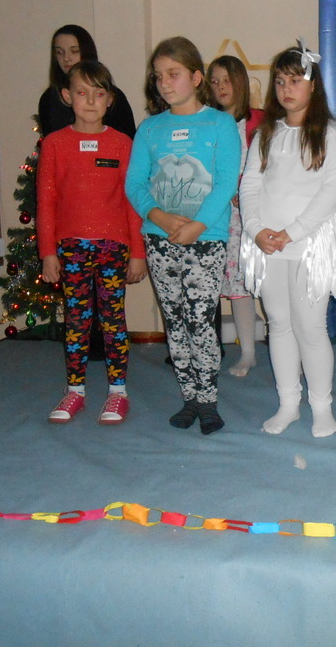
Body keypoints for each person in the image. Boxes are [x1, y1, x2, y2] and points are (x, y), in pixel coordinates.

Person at [124, 37, 240, 435]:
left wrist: (197, 225)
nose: (164, 83)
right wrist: (158, 216)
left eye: (173, 74)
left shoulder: (220, 124)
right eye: (158, 76)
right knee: (174, 320)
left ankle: (208, 400)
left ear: (195, 77)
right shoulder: (150, 129)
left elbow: (225, 181)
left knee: (200, 319)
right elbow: (135, 183)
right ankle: (189, 396)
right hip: (160, 239)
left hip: (205, 238)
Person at [239, 42, 336, 438]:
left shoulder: (331, 135)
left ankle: (321, 406)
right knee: (279, 324)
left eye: (295, 81)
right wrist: (256, 230)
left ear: (313, 85)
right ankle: (288, 403)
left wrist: (294, 232)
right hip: (269, 246)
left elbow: (332, 192)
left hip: (309, 246)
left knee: (310, 327)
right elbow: (251, 184)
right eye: (280, 82)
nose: (287, 89)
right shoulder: (267, 133)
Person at [39, 61, 147, 425]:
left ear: (110, 99)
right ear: (67, 96)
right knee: (77, 319)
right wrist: (48, 253)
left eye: (98, 94)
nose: (90, 101)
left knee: (113, 319)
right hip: (71, 248)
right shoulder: (55, 144)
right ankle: (75, 390)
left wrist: (137, 253)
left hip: (113, 247)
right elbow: (46, 202)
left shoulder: (122, 144)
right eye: (82, 93)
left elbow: (132, 201)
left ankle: (118, 392)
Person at [208, 55, 266, 378]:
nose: (220, 87)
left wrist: (246, 191)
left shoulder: (260, 121)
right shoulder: (209, 123)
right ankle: (248, 353)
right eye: (214, 81)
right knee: (239, 286)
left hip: (258, 215)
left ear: (240, 81)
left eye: (226, 80)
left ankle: (289, 349)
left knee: (269, 287)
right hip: (225, 219)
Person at [37, 24, 136, 139]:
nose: (66, 58)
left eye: (74, 51)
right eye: (59, 52)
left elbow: (128, 142)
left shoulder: (113, 96)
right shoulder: (49, 98)